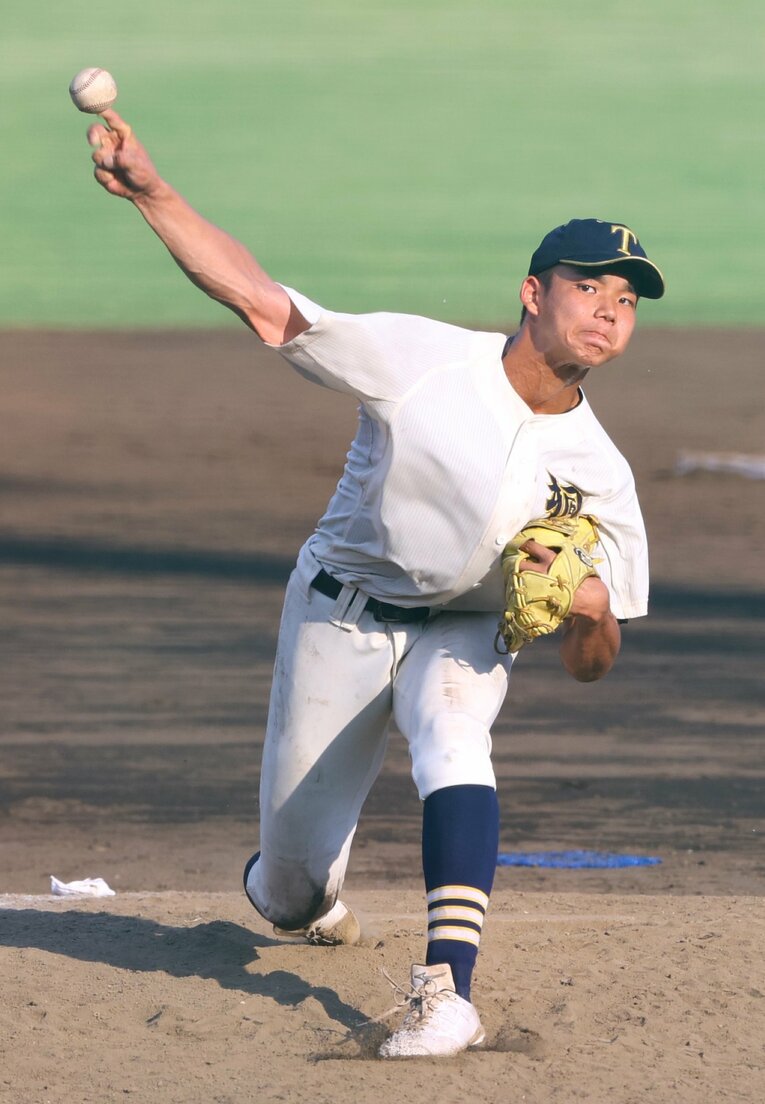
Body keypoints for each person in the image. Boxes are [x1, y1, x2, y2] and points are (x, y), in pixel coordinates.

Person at [85, 110, 663, 1058]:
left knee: (453, 739)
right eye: (588, 286)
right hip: (338, 618)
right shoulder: (423, 360)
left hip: (465, 634)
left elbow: (597, 663)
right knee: (287, 893)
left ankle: (446, 993)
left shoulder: (601, 472)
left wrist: (589, 610)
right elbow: (263, 302)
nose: (609, 308)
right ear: (531, 292)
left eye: (628, 300)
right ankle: (312, 895)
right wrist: (153, 192)